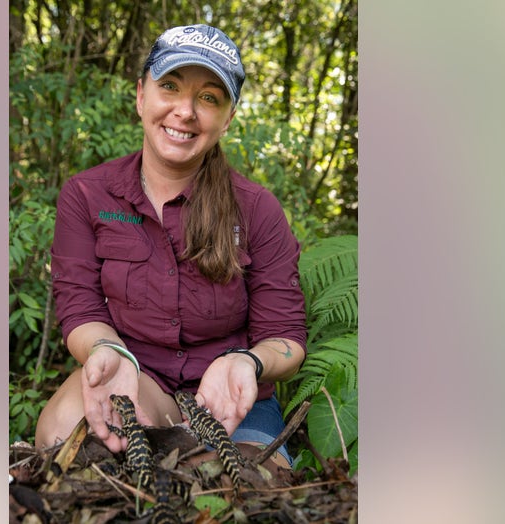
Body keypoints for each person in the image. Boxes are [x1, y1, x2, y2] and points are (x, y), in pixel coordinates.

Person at [35, 24, 306, 468]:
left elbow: (287, 337)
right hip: (138, 377)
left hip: (235, 401)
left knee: (249, 483)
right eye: (170, 87)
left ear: (228, 117)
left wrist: (248, 363)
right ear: (141, 95)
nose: (185, 111)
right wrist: (108, 351)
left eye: (209, 97)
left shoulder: (257, 209)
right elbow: (80, 308)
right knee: (64, 431)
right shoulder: (88, 195)